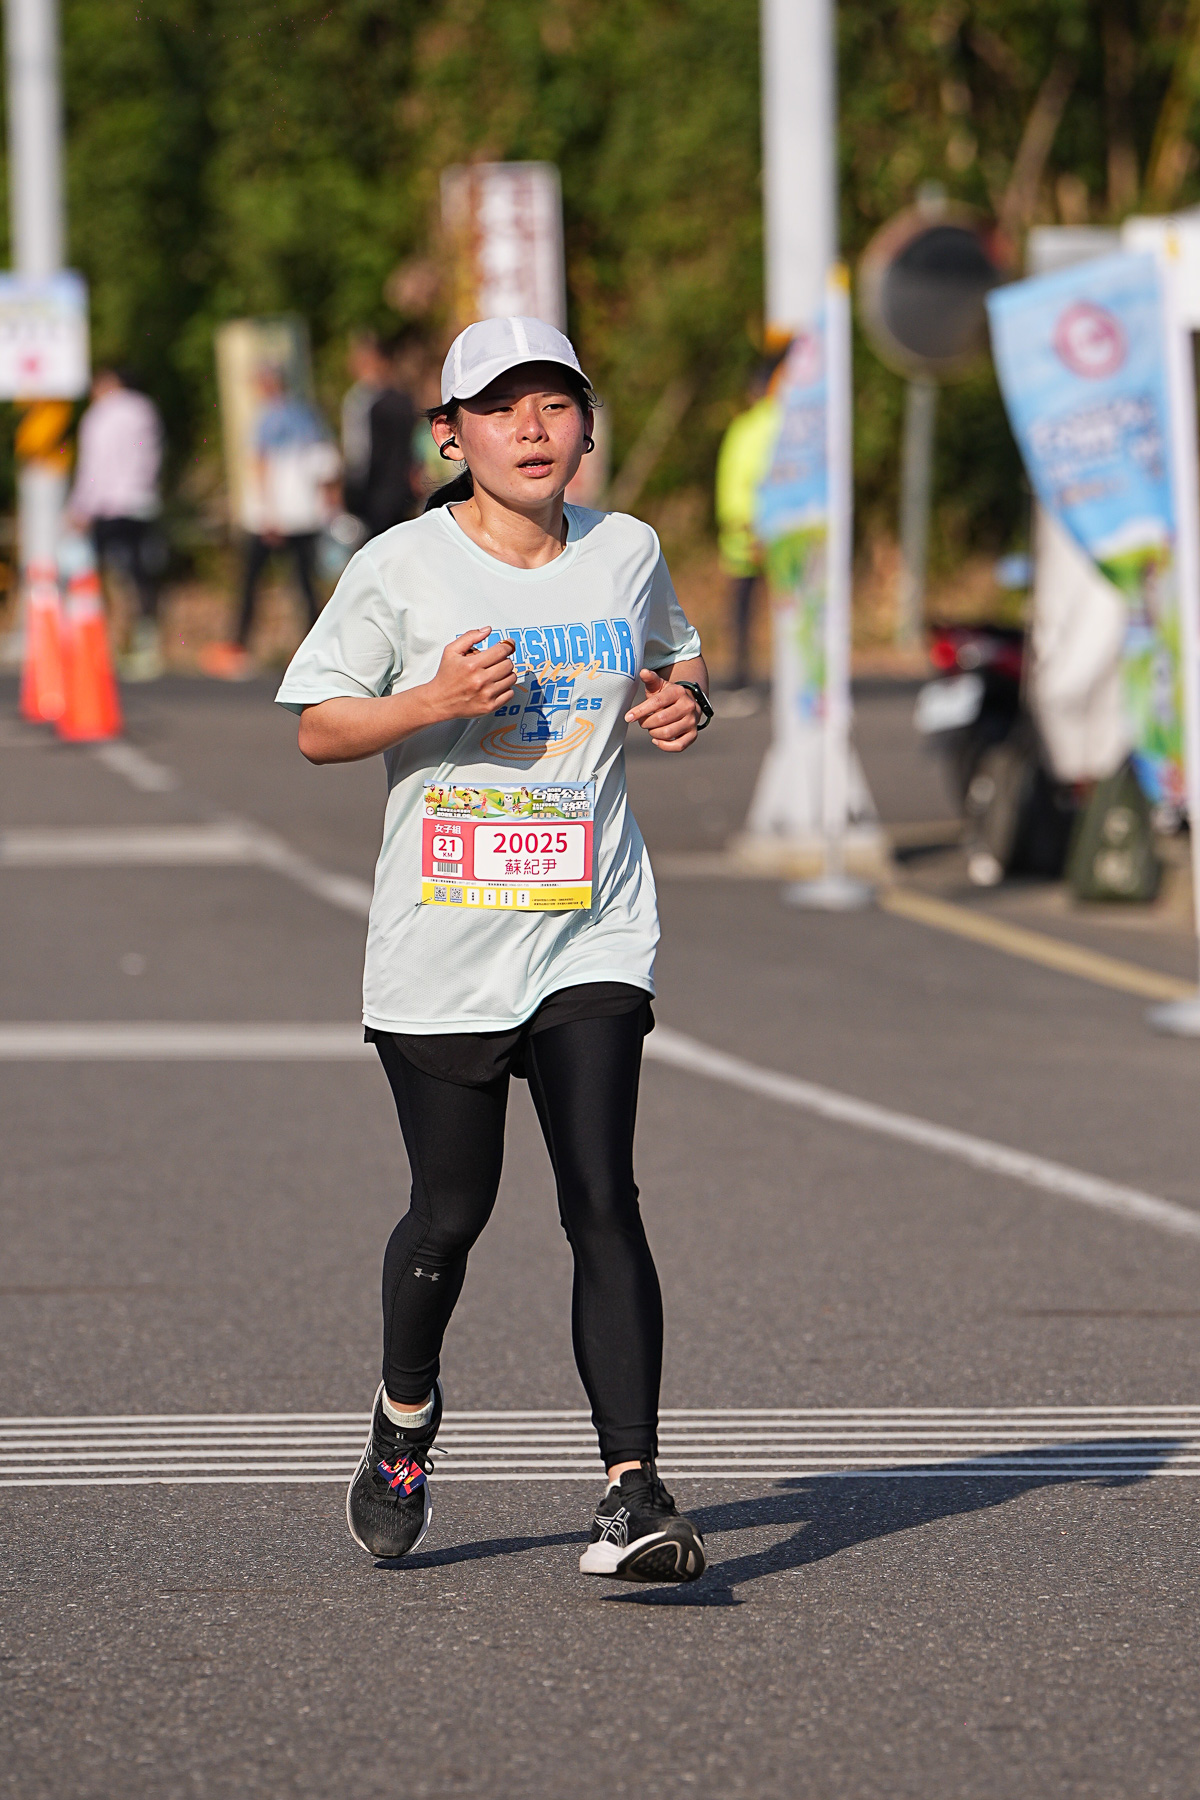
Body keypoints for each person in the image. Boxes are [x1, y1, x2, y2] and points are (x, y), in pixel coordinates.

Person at [276, 315, 714, 1583]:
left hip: (590, 927)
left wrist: (684, 702)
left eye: (556, 403)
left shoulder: (627, 551)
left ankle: (631, 1490)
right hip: (445, 947)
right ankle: (405, 1414)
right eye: (501, 407)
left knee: (603, 1199)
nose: (532, 428)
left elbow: (677, 657)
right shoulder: (401, 567)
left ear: (586, 427)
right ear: (450, 435)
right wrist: (432, 702)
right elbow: (317, 728)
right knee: (451, 1215)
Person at [201, 366, 340, 679]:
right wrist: (329, 507)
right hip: (306, 513)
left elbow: (262, 466)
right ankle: (315, 648)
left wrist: (268, 514)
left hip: (275, 515)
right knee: (305, 585)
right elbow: (326, 465)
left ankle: (239, 645)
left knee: (251, 581)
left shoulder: (266, 419)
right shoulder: (307, 416)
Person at [66, 367, 166, 680]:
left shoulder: (99, 415)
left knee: (104, 577)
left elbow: (94, 466)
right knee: (139, 574)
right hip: (141, 502)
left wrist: (80, 506)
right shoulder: (145, 409)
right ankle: (145, 643)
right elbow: (152, 456)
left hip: (107, 505)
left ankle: (105, 644)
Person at [714, 362, 782, 693]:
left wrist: (751, 524)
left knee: (744, 611)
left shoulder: (752, 427)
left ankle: (743, 676)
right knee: (784, 608)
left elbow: (745, 480)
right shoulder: (774, 425)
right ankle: (764, 676)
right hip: (759, 530)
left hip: (749, 531)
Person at [341, 330, 422, 541]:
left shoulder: (370, 402)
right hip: (396, 488)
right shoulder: (402, 398)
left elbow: (364, 451)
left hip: (377, 487)